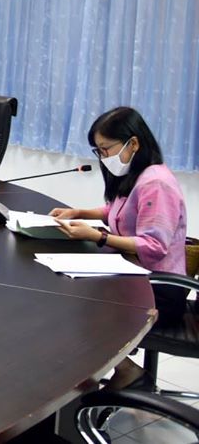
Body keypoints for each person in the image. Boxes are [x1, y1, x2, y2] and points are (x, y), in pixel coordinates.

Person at [51, 107, 188, 390]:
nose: (103, 158)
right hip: (134, 274)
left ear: (133, 143)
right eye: (98, 151)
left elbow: (154, 247)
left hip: (159, 288)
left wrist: (99, 237)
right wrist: (79, 212)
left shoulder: (156, 183)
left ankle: (126, 372)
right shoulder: (138, 175)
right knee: (70, 290)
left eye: (106, 149)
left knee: (81, 302)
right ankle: (103, 372)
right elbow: (116, 211)